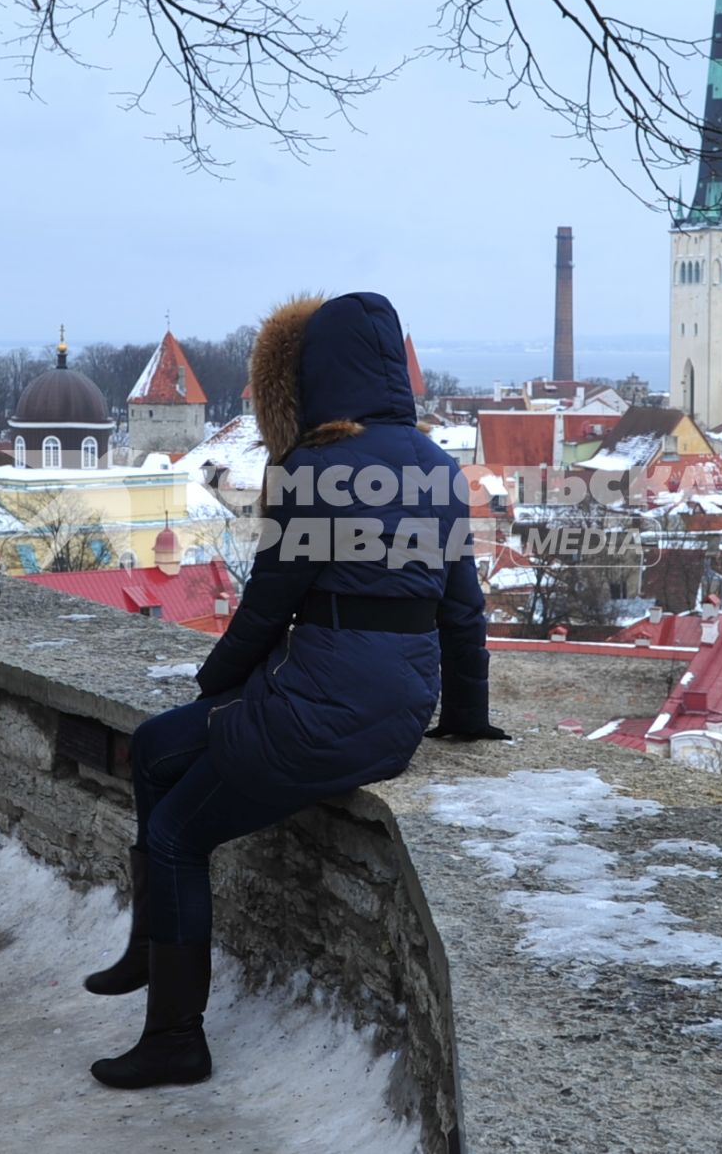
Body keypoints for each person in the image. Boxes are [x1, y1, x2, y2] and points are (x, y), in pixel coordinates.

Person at [83, 292, 500, 1090]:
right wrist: (467, 719)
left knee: (175, 831)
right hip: (396, 715)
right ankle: (148, 944)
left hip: (316, 712)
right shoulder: (440, 469)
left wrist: (212, 686)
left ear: (316, 373)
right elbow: (461, 610)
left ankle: (175, 1038)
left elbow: (267, 610)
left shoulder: (311, 471)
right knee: (159, 748)